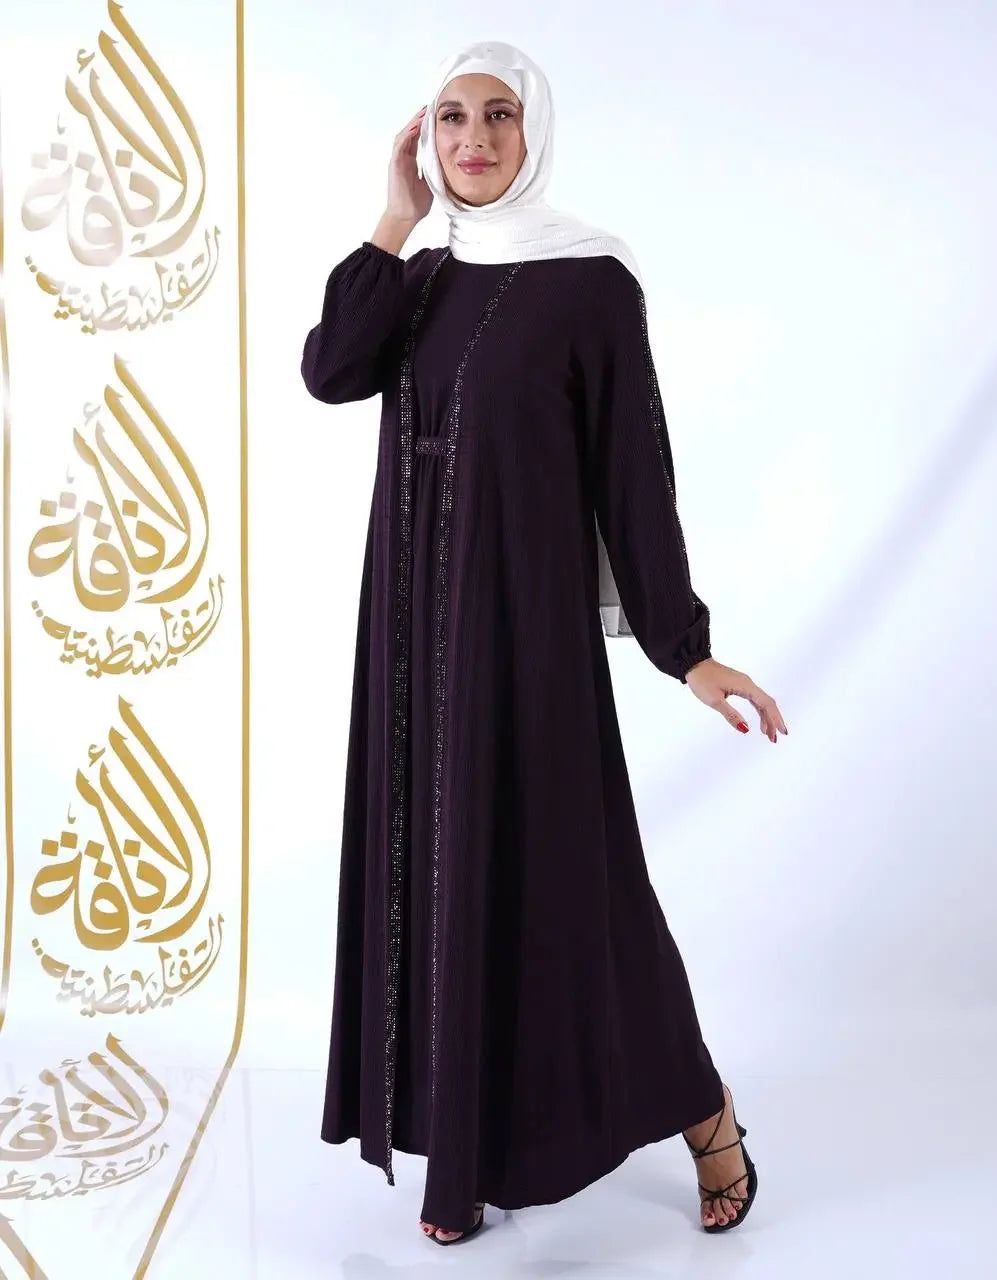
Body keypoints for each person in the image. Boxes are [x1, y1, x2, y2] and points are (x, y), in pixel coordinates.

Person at [300, 40, 788, 1248]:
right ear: (427, 137)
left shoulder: (590, 282)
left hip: (527, 643)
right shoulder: (418, 278)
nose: (473, 139)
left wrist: (686, 648)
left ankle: (704, 1109)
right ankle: (463, 1156)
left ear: (535, 132)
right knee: (439, 882)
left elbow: (632, 475)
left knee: (578, 884)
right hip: (410, 645)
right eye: (451, 117)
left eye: (499, 116)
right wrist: (392, 218)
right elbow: (329, 370)